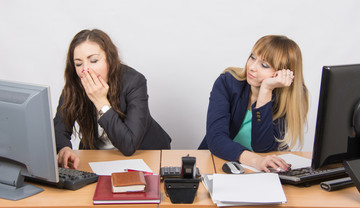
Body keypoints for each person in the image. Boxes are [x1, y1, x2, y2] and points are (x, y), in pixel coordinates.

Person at [54, 29, 172, 169]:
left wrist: (101, 102)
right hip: (99, 158)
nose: (86, 70)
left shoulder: (134, 81)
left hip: (145, 154)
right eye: (79, 64)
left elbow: (129, 145)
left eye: (93, 61)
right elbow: (59, 128)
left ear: (109, 60)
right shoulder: (75, 84)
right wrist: (64, 148)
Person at [199, 35, 309, 172]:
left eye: (264, 65)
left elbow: (263, 148)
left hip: (261, 170)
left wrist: (266, 91)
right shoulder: (227, 83)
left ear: (281, 74)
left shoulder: (289, 99)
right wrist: (256, 160)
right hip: (218, 162)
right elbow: (216, 139)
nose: (252, 67)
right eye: (252, 57)